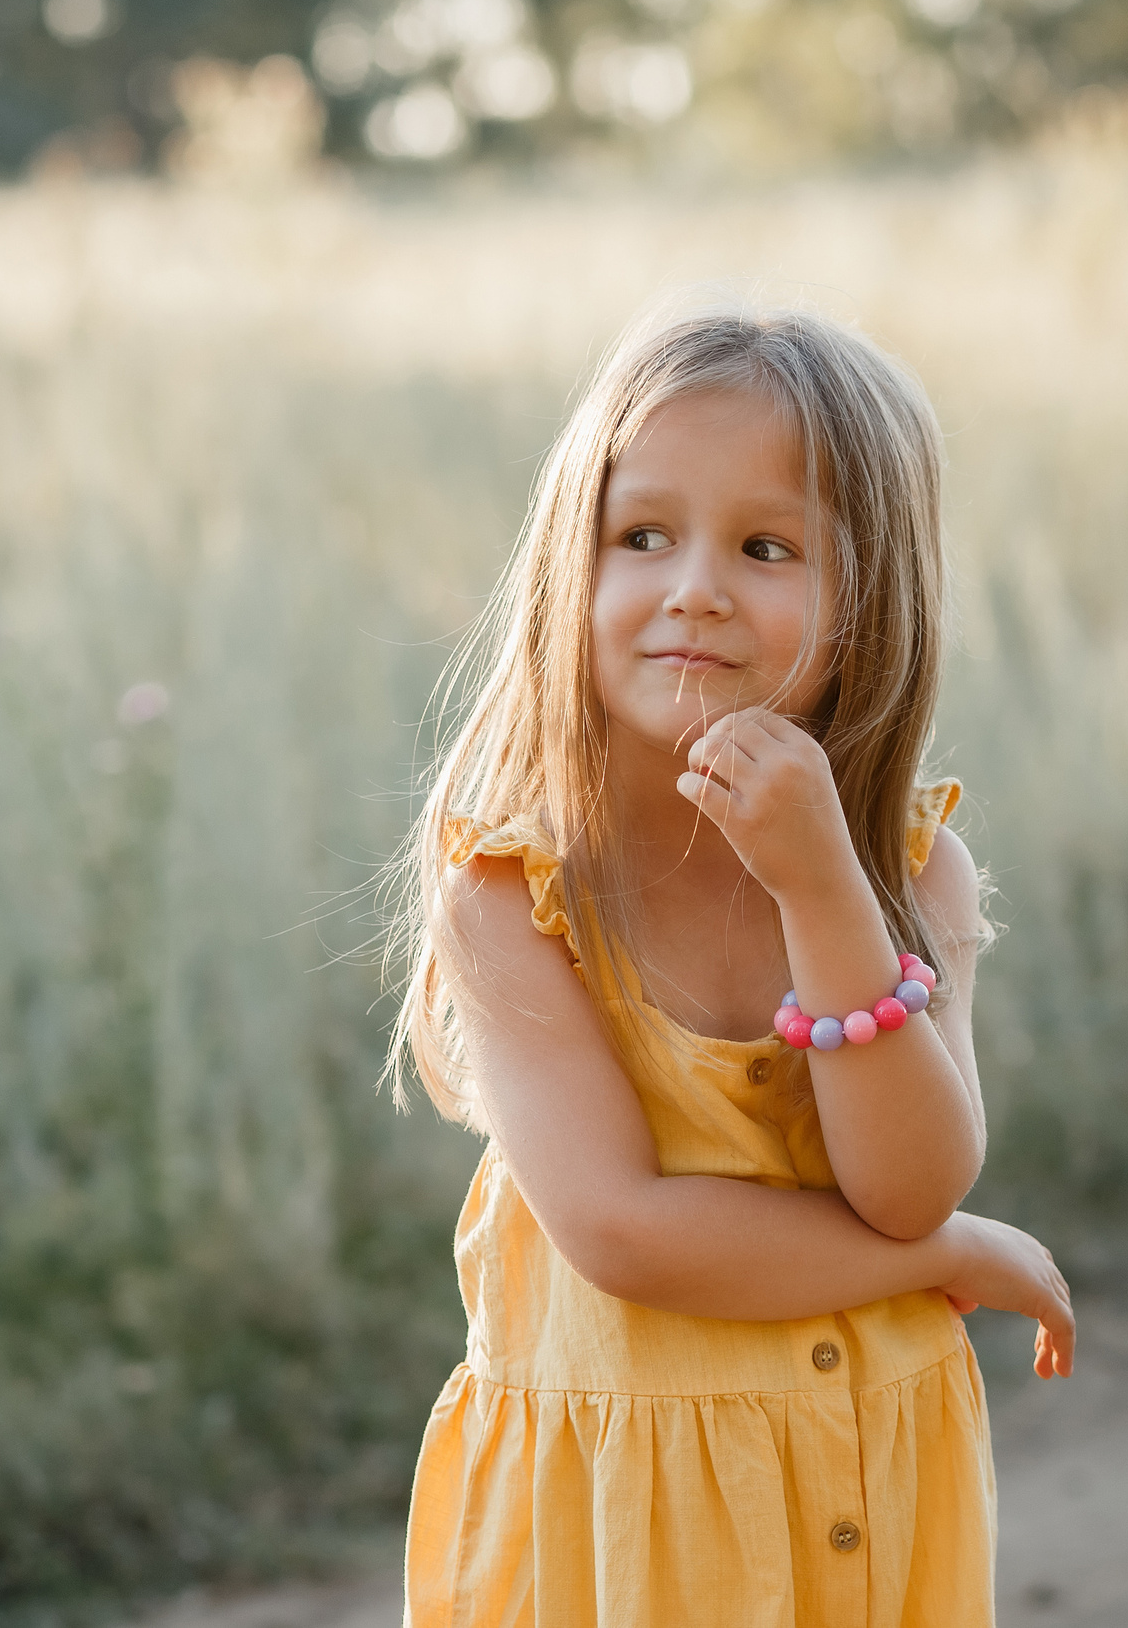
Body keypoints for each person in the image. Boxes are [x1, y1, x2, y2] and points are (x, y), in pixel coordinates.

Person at [384, 302, 1077, 1626]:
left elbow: (909, 1179)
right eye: (641, 536)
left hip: (872, 1489)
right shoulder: (519, 898)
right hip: (625, 1539)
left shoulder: (907, 872)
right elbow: (626, 1234)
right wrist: (960, 1255)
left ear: (871, 606)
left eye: (767, 547)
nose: (693, 586)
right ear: (564, 573)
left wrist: (823, 888)